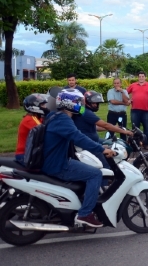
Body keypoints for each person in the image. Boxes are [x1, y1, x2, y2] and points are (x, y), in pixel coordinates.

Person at [43, 88, 116, 228]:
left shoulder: (55, 115)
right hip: (57, 164)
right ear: (70, 104)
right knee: (95, 174)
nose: (82, 105)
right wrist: (101, 149)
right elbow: (79, 137)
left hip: (54, 159)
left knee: (86, 168)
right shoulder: (63, 119)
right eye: (79, 102)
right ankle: (85, 214)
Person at [73, 90, 133, 169]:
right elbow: (105, 125)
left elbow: (95, 127)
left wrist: (115, 127)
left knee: (110, 143)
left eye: (97, 103)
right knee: (106, 166)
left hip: (93, 139)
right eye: (95, 103)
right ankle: (108, 178)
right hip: (88, 144)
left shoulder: (82, 110)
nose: (97, 105)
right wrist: (125, 132)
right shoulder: (86, 113)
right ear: (88, 102)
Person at [127, 71, 148, 150]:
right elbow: (125, 92)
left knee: (147, 128)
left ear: (145, 77)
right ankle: (136, 145)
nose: (141, 78)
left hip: (146, 110)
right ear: (138, 77)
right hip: (135, 110)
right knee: (135, 128)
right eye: (140, 76)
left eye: (142, 76)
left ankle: (146, 144)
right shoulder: (133, 85)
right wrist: (128, 99)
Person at [15, 94, 49, 164]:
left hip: (31, 152)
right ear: (35, 107)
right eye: (42, 105)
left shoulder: (37, 118)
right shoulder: (30, 120)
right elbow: (45, 131)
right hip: (24, 154)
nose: (45, 107)